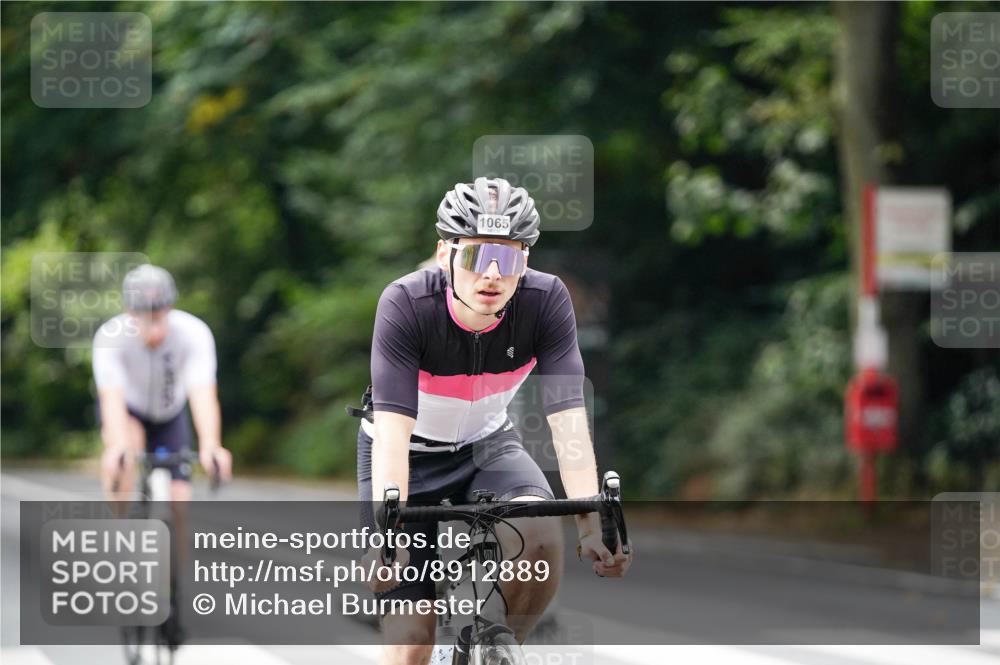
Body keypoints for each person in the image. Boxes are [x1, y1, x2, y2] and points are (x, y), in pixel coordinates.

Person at [355, 177, 632, 665]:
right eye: (476, 257)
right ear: (445, 255)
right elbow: (394, 434)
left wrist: (590, 524)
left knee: (543, 538)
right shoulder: (405, 304)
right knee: (410, 642)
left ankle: (500, 653)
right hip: (407, 455)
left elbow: (568, 420)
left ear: (525, 263)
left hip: (487, 446)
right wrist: (386, 536)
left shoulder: (545, 301)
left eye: (509, 260)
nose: (492, 275)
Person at [92, 263, 233, 644]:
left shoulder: (193, 334)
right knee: (124, 454)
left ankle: (171, 592)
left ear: (171, 309)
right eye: (143, 317)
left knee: (179, 503)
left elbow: (203, 394)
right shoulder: (111, 338)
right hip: (130, 414)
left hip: (171, 416)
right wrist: (117, 449)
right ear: (128, 313)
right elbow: (112, 401)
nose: (153, 327)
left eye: (160, 316)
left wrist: (211, 446)